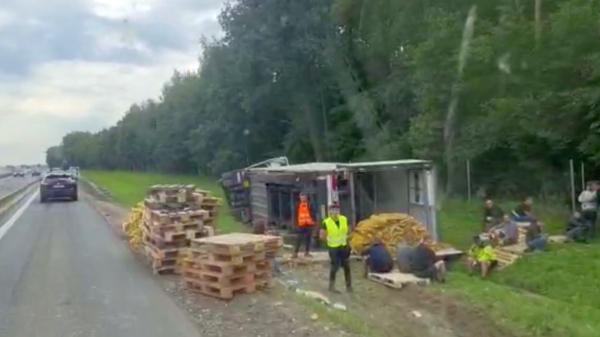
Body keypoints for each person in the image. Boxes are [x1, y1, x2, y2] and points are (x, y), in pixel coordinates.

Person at [320, 203, 352, 293]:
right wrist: (328, 242)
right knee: (335, 267)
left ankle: (349, 286)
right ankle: (332, 286)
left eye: (336, 210)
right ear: (329, 212)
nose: (335, 212)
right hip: (333, 247)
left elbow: (349, 230)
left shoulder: (344, 219)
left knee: (346, 266)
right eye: (332, 210)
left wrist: (347, 238)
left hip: (344, 246)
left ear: (339, 211)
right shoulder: (326, 222)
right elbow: (322, 235)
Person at [293, 192, 317, 258]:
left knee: (308, 239)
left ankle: (307, 252)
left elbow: (313, 213)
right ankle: (295, 252)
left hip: (309, 224)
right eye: (301, 197)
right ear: (300, 198)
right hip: (301, 224)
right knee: (299, 238)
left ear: (306, 198)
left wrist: (314, 221)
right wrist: (295, 224)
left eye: (304, 197)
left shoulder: (310, 204)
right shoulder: (298, 205)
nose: (303, 198)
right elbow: (295, 215)